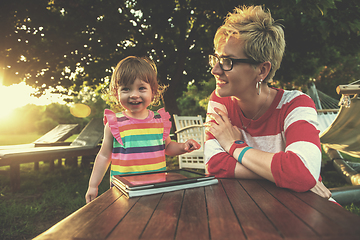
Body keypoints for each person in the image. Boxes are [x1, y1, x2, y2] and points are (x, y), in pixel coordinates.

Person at [204, 5, 332, 199]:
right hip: (260, 209)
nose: (215, 70)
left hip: (312, 212)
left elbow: (301, 172)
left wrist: (233, 145)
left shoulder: (296, 104)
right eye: (217, 58)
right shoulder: (220, 101)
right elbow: (213, 164)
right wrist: (284, 175)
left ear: (262, 70)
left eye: (227, 61)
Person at [85, 56, 201, 203]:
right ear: (116, 93)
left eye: (141, 88)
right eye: (126, 89)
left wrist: (183, 147)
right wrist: (93, 185)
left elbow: (168, 147)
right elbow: (103, 156)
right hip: (124, 191)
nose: (134, 95)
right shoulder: (115, 124)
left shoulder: (160, 121)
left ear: (152, 92)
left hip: (156, 188)